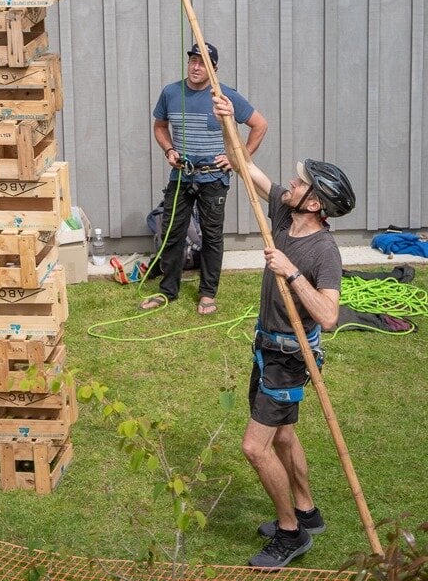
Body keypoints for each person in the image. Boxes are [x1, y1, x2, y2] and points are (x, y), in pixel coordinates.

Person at [213, 92, 356, 569]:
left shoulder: (322, 252)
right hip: (265, 347)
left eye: (300, 183)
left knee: (254, 447)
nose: (290, 183)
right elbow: (241, 165)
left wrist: (291, 273)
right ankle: (308, 512)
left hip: (290, 359)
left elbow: (330, 316)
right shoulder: (282, 212)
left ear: (315, 202)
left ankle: (291, 533)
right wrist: (228, 120)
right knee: (284, 438)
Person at [140, 42, 267, 314]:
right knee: (172, 233)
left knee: (212, 236)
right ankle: (167, 290)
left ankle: (208, 293)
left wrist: (239, 158)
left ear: (214, 69)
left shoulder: (224, 97)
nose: (196, 67)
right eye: (193, 61)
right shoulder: (171, 93)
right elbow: (160, 126)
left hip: (214, 178)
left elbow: (260, 124)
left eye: (203, 63)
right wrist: (169, 149)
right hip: (182, 175)